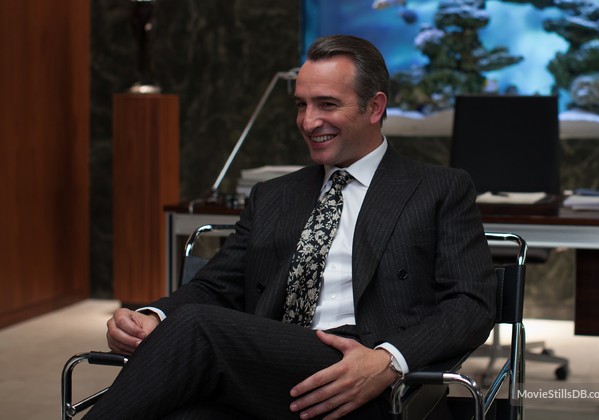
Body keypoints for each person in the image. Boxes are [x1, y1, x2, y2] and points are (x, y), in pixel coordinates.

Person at [85, 34, 496, 420]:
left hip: (367, 375)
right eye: (301, 105)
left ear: (374, 108)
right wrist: (153, 317)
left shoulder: (438, 189)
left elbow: (471, 302)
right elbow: (216, 287)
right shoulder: (273, 195)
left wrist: (390, 360)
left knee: (197, 327)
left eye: (327, 104)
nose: (309, 121)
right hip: (268, 370)